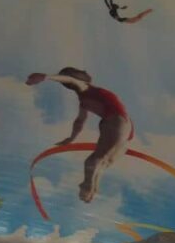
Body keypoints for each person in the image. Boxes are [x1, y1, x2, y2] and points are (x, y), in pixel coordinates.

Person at [26, 68, 133, 203]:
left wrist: (45, 77)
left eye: (63, 78)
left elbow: (71, 80)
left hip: (116, 121)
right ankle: (92, 190)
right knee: (102, 164)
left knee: (93, 162)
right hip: (122, 125)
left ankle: (87, 188)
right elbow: (80, 121)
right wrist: (71, 138)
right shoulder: (84, 99)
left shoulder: (86, 88)